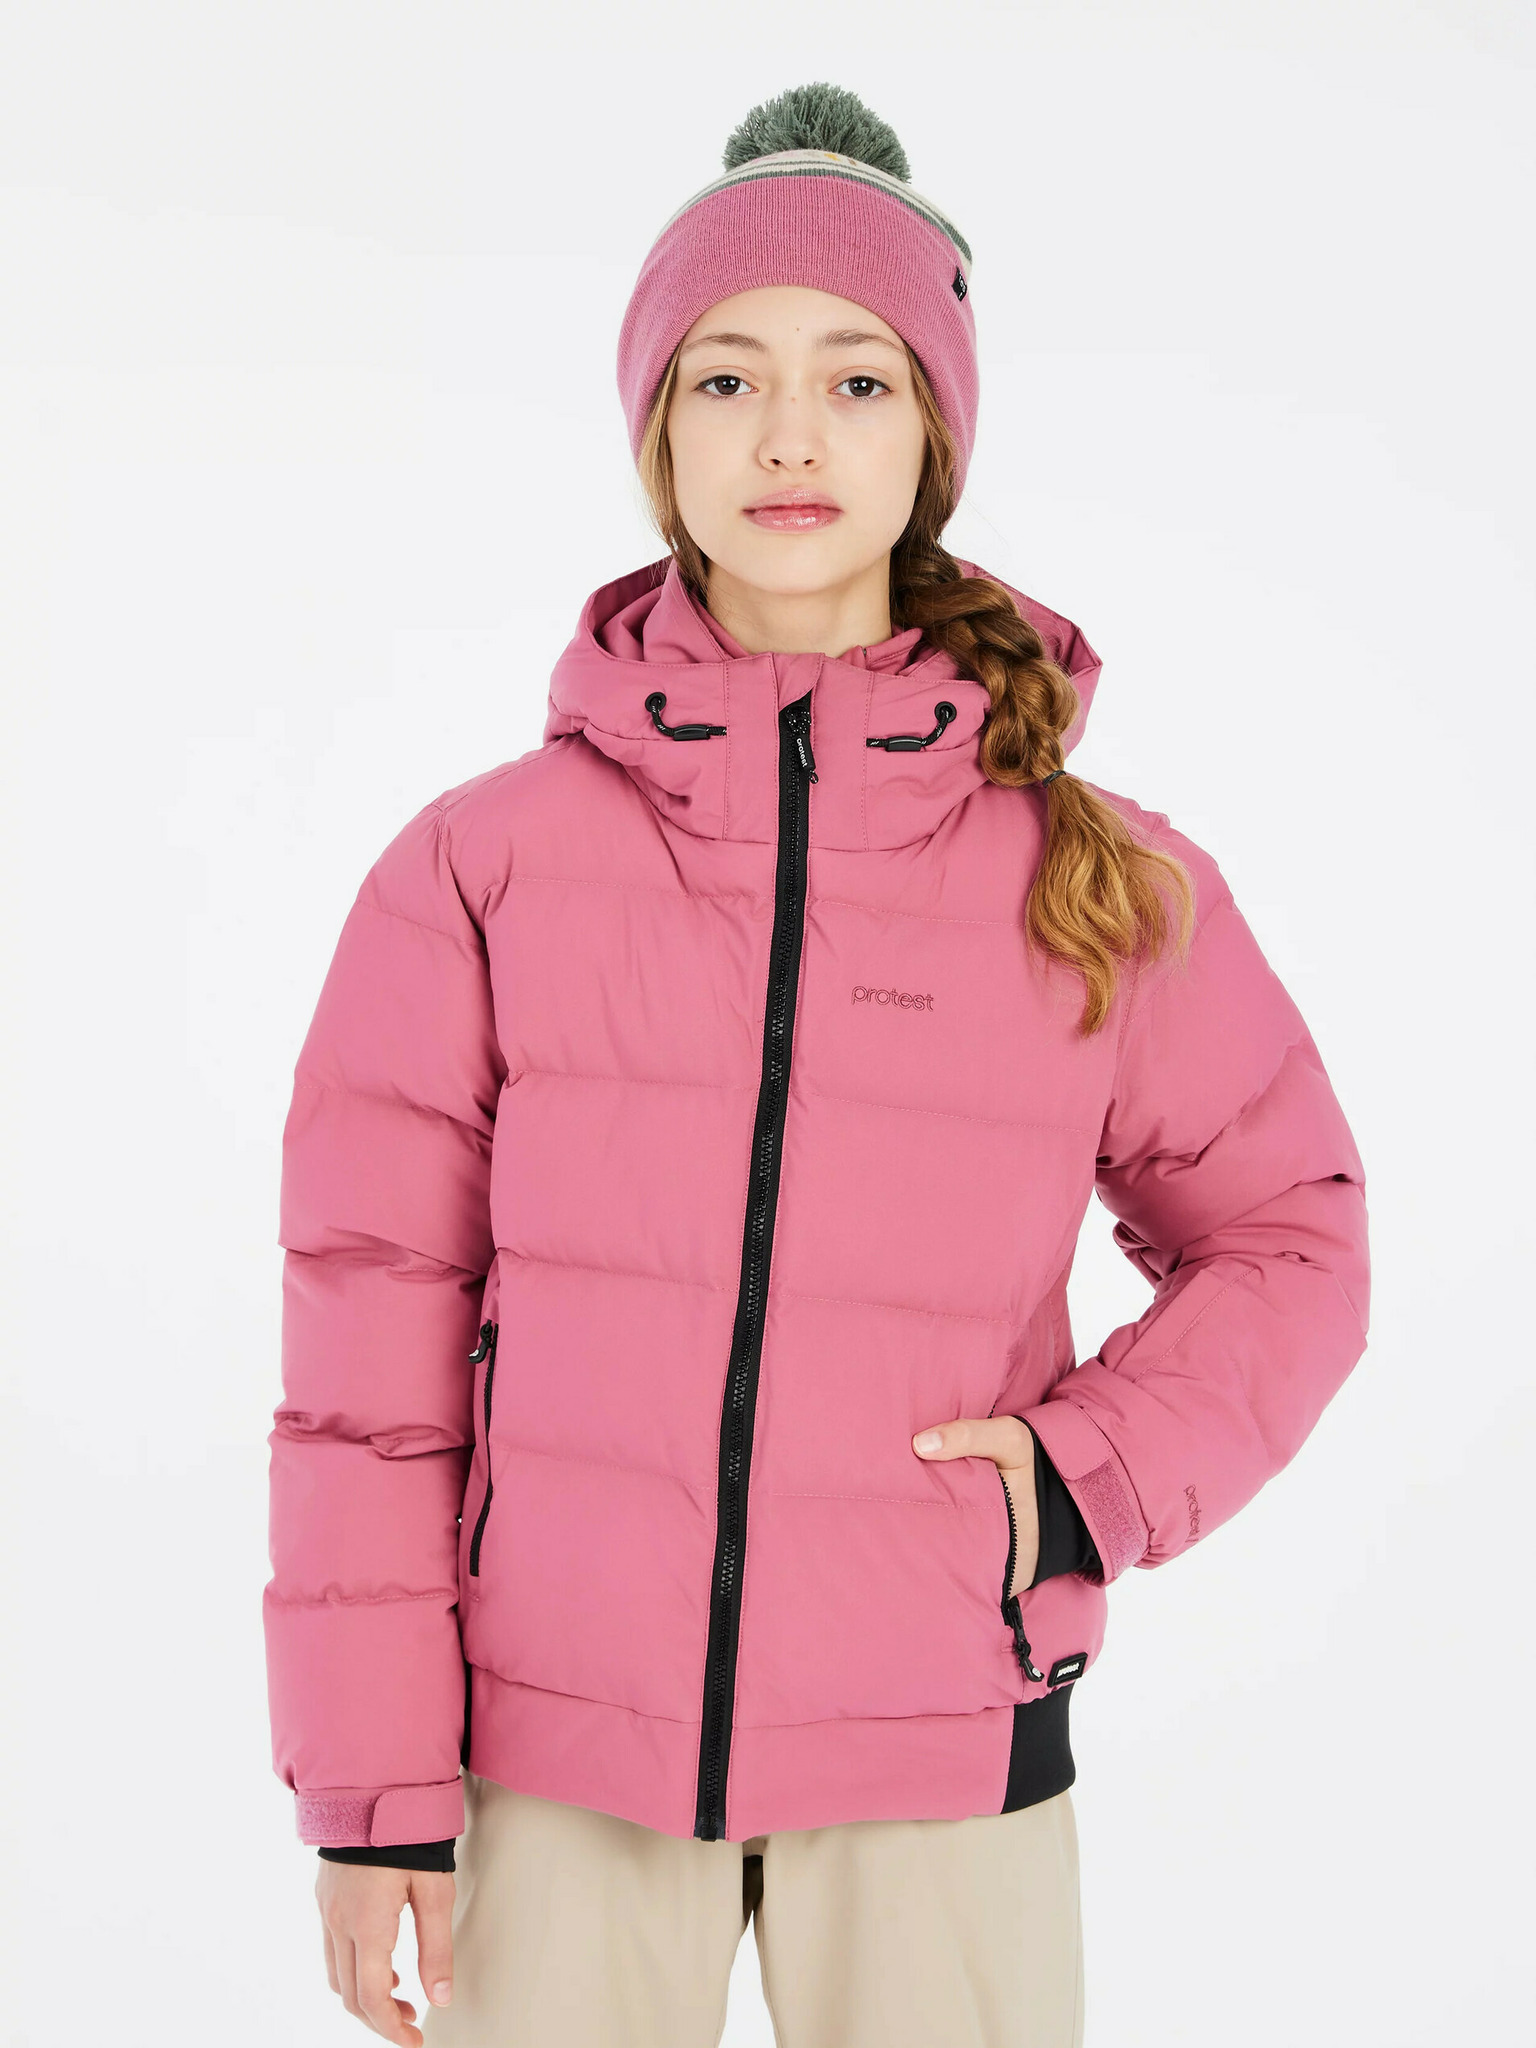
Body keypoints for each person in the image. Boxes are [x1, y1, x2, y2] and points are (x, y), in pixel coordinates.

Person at [263, 82, 1371, 2048]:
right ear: (658, 434)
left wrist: (1083, 1484)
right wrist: (374, 1796)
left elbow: (1295, 1238)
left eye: (857, 380)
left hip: (941, 1739)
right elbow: (372, 1363)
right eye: (728, 379)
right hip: (560, 1757)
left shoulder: (1096, 876)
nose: (789, 435)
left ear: (931, 433)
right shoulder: (477, 871)